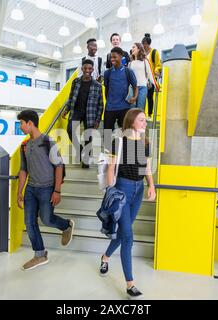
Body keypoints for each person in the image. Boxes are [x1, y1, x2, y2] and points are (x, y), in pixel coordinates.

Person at [99, 108, 156, 300]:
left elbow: (147, 167)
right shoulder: (118, 141)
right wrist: (111, 189)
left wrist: (151, 186)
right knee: (128, 237)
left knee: (124, 233)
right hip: (122, 189)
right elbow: (111, 168)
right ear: (132, 121)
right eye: (142, 120)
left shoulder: (145, 143)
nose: (145, 123)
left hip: (138, 190)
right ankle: (130, 284)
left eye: (145, 121)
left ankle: (105, 257)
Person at [17, 110, 75, 271]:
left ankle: (66, 226)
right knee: (29, 222)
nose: (20, 126)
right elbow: (23, 170)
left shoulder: (48, 142)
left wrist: (57, 191)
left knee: (47, 219)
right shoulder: (24, 145)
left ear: (30, 123)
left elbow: (59, 166)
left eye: (21, 123)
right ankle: (40, 254)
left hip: (47, 188)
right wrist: (19, 192)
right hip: (31, 189)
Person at [64, 59, 104, 168]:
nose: (87, 70)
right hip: (76, 111)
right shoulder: (75, 82)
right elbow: (71, 97)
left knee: (88, 137)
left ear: (92, 70)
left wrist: (97, 120)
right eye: (85, 68)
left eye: (89, 68)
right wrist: (66, 110)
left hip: (90, 113)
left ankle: (86, 160)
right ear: (82, 69)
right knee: (70, 130)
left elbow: (101, 105)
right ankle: (79, 148)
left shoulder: (97, 85)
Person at [103, 47, 138, 143]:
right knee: (107, 135)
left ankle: (123, 154)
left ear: (121, 56)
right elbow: (107, 89)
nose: (112, 59)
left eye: (115, 57)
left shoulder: (128, 71)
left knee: (126, 134)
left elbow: (135, 87)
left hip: (124, 107)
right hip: (110, 108)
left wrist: (134, 97)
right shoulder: (107, 73)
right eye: (111, 57)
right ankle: (108, 153)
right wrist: (109, 102)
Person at [128, 43, 157, 111]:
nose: (132, 49)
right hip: (132, 88)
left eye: (134, 47)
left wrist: (156, 86)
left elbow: (150, 75)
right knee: (132, 109)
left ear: (139, 49)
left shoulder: (145, 61)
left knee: (140, 109)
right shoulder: (130, 63)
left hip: (142, 88)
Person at [142, 33, 162, 120]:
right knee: (142, 97)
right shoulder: (142, 53)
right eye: (143, 44)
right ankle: (142, 114)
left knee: (149, 97)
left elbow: (158, 65)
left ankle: (150, 114)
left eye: (145, 44)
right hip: (142, 78)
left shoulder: (154, 52)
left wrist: (156, 71)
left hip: (151, 79)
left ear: (148, 44)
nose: (144, 46)